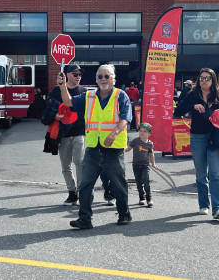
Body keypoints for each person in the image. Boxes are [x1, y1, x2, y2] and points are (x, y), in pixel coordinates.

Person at [60, 64, 133, 229]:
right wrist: (62, 85)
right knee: (85, 185)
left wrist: (113, 134)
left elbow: (125, 119)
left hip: (113, 150)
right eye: (100, 77)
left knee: (118, 185)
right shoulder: (89, 96)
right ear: (96, 80)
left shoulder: (121, 96)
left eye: (107, 76)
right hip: (93, 149)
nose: (103, 79)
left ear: (114, 79)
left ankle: (124, 214)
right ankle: (85, 218)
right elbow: (68, 102)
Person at [172, 67, 219, 219]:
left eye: (207, 78)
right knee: (201, 173)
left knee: (216, 174)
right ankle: (204, 205)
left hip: (215, 138)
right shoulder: (192, 95)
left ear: (213, 80)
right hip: (197, 137)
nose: (204, 81)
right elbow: (177, 111)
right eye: (201, 78)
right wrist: (193, 107)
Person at [48, 65, 87, 206]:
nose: (78, 77)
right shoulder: (57, 90)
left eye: (80, 75)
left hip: (79, 132)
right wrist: (55, 116)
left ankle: (83, 192)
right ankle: (72, 193)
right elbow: (50, 107)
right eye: (75, 74)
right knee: (66, 165)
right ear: (68, 75)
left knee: (80, 162)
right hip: (63, 133)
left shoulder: (84, 91)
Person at [126, 123, 159, 208]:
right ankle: (142, 198)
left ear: (149, 134)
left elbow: (151, 155)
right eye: (140, 131)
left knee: (146, 182)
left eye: (145, 131)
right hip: (136, 165)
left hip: (145, 165)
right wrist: (122, 148)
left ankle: (149, 199)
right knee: (139, 183)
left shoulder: (150, 144)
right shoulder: (135, 141)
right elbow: (128, 149)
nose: (142, 133)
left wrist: (153, 164)